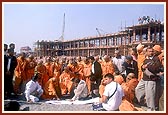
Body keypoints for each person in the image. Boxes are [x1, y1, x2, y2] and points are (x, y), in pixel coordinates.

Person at [135, 46, 163, 111]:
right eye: (149, 51)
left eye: (152, 51)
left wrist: (147, 66)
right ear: (146, 52)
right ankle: (144, 103)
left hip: (151, 80)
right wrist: (144, 66)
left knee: (150, 96)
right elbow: (142, 68)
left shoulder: (156, 59)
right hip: (144, 78)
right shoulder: (146, 59)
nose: (151, 52)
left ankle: (151, 110)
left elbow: (156, 68)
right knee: (138, 90)